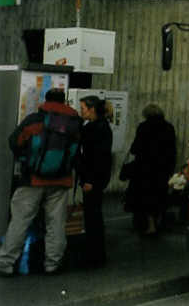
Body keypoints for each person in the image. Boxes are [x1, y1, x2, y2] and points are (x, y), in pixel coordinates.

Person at [0, 88, 82, 276]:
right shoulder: (74, 123)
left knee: (20, 220)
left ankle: (5, 263)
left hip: (33, 179)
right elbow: (76, 152)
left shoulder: (35, 120)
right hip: (61, 180)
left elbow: (14, 141)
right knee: (56, 223)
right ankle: (52, 263)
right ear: (64, 101)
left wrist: (27, 160)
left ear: (46, 100)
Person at [128, 103, 177, 235]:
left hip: (145, 168)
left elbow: (135, 148)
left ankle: (151, 225)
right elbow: (172, 150)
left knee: (146, 196)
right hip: (163, 168)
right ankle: (160, 219)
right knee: (160, 194)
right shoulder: (169, 127)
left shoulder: (143, 127)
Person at [77, 95, 113, 266]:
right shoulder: (101, 126)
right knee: (94, 216)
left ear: (91, 109)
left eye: (83, 108)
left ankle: (94, 255)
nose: (80, 111)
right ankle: (96, 254)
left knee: (93, 217)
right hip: (97, 178)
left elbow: (96, 157)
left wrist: (89, 179)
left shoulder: (95, 128)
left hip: (93, 179)